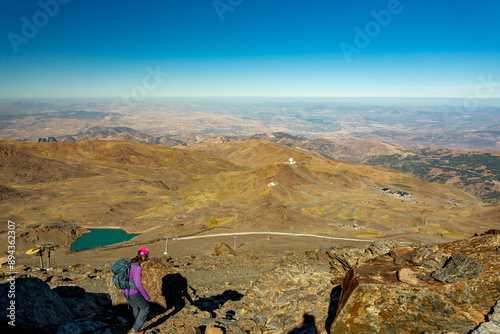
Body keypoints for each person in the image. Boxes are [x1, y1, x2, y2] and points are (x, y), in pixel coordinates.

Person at [124, 247, 151, 334]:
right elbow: (138, 284)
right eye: (146, 257)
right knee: (145, 307)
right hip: (133, 292)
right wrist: (146, 297)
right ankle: (136, 330)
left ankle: (134, 325)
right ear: (144, 256)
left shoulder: (129, 263)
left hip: (125, 291)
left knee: (135, 307)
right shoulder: (137, 268)